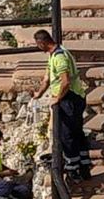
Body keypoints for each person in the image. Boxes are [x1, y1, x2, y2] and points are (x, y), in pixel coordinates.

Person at [35, 28, 92, 181]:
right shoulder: (56, 54)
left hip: (69, 99)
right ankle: (84, 166)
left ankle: (73, 169)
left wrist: (57, 98)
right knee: (77, 132)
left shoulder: (59, 57)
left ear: (42, 43)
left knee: (67, 135)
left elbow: (65, 82)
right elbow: (47, 78)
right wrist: (39, 93)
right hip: (75, 97)